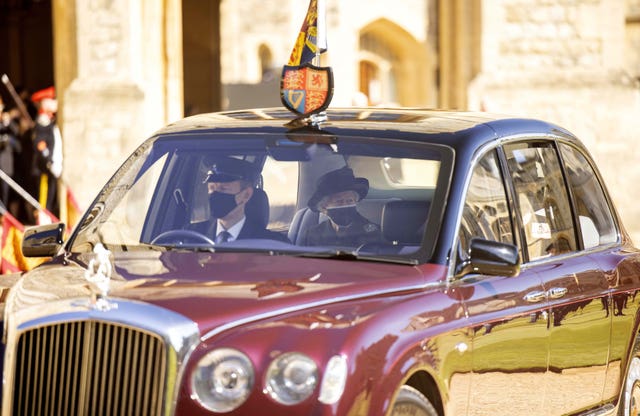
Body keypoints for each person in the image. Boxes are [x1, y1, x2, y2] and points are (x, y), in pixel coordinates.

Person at [203, 157, 288, 243]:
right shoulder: (191, 237)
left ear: (246, 195)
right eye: (212, 188)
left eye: (224, 189)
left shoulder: (274, 244)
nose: (215, 194)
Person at [301, 167, 381, 246]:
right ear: (324, 208)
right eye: (339, 201)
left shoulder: (372, 233)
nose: (345, 205)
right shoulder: (312, 234)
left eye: (350, 201)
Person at [30, 86, 62, 217]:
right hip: (44, 168)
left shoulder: (49, 120)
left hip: (49, 167)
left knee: (50, 199)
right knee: (44, 203)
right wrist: (48, 161)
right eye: (52, 99)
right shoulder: (43, 121)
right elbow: (41, 145)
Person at [0, 96, 21, 210]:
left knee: (6, 193)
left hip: (6, 164)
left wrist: (8, 122)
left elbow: (17, 134)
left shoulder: (7, 122)